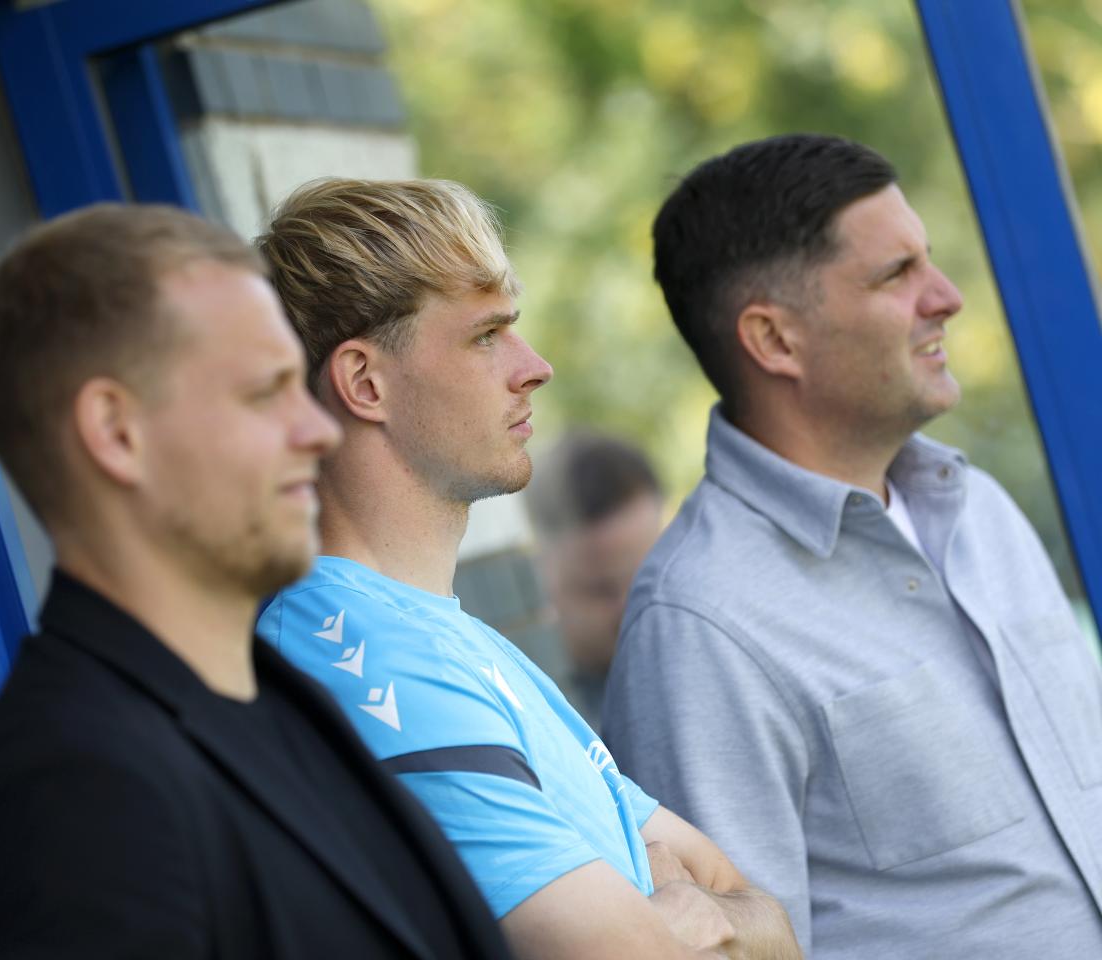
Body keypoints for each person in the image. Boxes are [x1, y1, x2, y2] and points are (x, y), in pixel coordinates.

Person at [0, 204, 517, 959]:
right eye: (263, 393)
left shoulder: (280, 697)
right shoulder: (72, 801)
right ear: (117, 433)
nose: (314, 429)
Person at [255, 178, 800, 960]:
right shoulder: (355, 652)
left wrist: (699, 918)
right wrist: (676, 914)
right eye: (486, 336)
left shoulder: (465, 643)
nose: (534, 366)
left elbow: (770, 922)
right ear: (365, 383)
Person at [603, 133, 1102, 959]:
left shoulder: (981, 510)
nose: (945, 297)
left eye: (927, 263)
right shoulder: (699, 629)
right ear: (775, 341)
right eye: (895, 275)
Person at [525, 431, 664, 729]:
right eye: (604, 589)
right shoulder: (531, 710)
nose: (637, 606)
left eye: (650, 574)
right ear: (539, 575)